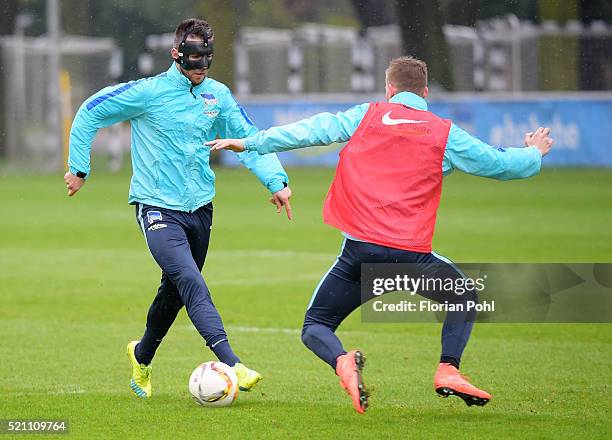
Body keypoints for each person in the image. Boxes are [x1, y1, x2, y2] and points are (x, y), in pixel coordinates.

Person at [207, 56, 553, 414]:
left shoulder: (366, 116)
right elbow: (498, 164)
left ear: (389, 89)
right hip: (411, 257)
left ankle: (342, 361)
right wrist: (533, 153)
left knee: (315, 327)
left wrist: (250, 144)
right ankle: (448, 369)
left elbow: (310, 131)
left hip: (361, 254)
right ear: (426, 92)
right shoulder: (443, 132)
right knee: (463, 297)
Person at [64, 18, 293, 399]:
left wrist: (276, 181)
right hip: (155, 207)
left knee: (173, 293)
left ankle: (141, 355)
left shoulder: (217, 95)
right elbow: (90, 111)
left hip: (200, 209)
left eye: (206, 62)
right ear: (176, 55)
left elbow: (249, 138)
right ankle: (231, 361)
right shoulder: (149, 92)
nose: (200, 70)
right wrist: (79, 167)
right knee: (190, 279)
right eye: (193, 62)